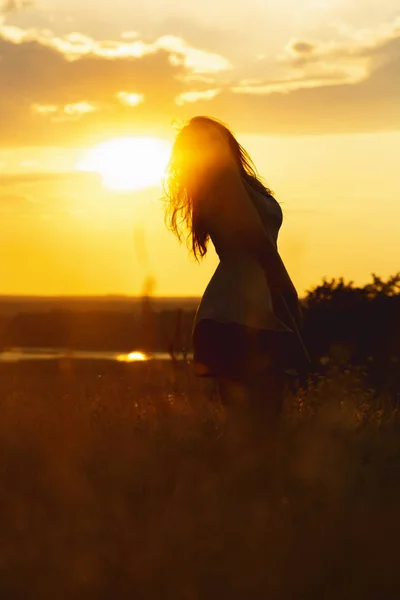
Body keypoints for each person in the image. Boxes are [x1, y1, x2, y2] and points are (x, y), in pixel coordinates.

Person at [163, 116, 309, 441]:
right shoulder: (222, 183)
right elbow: (259, 243)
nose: (212, 148)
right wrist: (285, 289)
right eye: (202, 145)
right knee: (255, 423)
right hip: (238, 313)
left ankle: (245, 486)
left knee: (260, 422)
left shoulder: (238, 183)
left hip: (244, 308)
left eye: (215, 139)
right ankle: (243, 485)